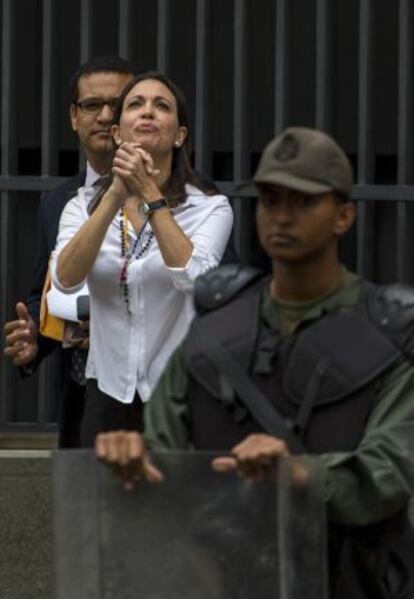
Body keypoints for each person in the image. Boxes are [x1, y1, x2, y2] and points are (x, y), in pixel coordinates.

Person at [95, 127, 414, 599]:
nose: (281, 216)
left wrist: (304, 474)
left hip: (346, 578)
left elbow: (391, 468)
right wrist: (134, 460)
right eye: (270, 200)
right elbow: (167, 450)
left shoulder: (389, 332)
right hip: (224, 576)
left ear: (344, 215)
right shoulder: (215, 326)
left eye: (302, 202)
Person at [51, 71, 234, 448]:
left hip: (179, 396)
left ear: (179, 135)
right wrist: (115, 195)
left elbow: (196, 281)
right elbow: (66, 279)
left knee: (174, 506)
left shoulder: (210, 208)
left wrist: (148, 192)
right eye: (135, 104)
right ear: (118, 133)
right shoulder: (80, 206)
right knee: (102, 506)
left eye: (161, 106)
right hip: (107, 392)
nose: (147, 112)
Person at [3, 56, 136, 447]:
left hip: (161, 406)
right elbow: (47, 292)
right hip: (82, 403)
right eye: (92, 105)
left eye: (119, 103)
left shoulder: (188, 197)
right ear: (74, 118)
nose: (105, 115)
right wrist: (35, 338)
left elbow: (213, 295)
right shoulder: (57, 202)